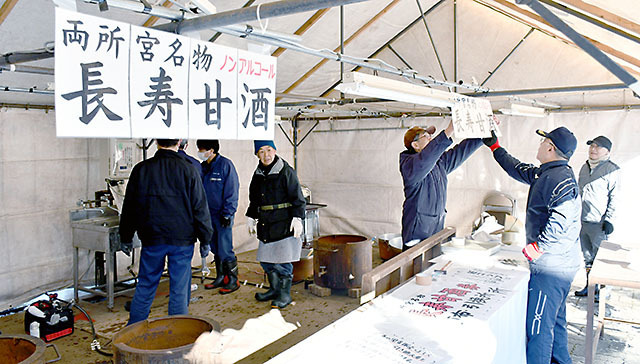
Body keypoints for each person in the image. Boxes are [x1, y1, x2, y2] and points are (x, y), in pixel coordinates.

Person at [483, 127, 581, 364]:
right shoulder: (548, 173)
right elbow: (517, 168)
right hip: (559, 263)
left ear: (550, 148)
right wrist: (495, 147)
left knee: (538, 328)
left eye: (542, 142)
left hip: (551, 268)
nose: (538, 145)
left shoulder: (561, 180)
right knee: (554, 321)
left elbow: (563, 219)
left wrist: (539, 247)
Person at [119, 139, 213, 325]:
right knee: (179, 288)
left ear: (157, 142)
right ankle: (177, 336)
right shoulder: (189, 169)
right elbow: (200, 208)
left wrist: (126, 236)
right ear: (178, 142)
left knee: (146, 285)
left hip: (153, 238)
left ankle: (132, 335)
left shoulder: (142, 169)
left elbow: (130, 207)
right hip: (182, 239)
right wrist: (205, 239)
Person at [399, 120, 483, 249]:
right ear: (415, 145)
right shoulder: (410, 165)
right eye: (426, 136)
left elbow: (460, 152)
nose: (430, 138)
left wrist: (484, 132)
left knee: (432, 263)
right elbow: (426, 158)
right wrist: (448, 131)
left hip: (436, 225)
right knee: (413, 265)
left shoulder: (439, 163)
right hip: (417, 229)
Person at [247, 140, 306, 309]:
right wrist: (251, 217)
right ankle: (274, 290)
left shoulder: (286, 171)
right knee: (266, 261)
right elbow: (254, 199)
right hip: (266, 224)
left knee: (282, 262)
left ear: (275, 150)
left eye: (269, 150)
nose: (266, 155)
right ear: (257, 154)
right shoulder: (258, 174)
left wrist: (297, 218)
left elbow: (298, 198)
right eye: (261, 151)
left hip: (284, 224)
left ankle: (285, 294)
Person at [574, 135, 620, 299]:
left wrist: (609, 219)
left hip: (599, 223)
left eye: (597, 147)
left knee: (601, 259)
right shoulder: (584, 167)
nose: (593, 149)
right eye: (591, 146)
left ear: (607, 151)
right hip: (583, 221)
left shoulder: (612, 170)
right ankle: (589, 286)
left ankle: (602, 291)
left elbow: (615, 196)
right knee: (587, 257)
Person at [196, 139, 241, 294]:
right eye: (199, 149)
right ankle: (220, 277)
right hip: (208, 215)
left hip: (222, 215)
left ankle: (233, 280)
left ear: (212, 150)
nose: (200, 153)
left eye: (203, 150)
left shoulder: (225, 165)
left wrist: (228, 213)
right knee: (214, 246)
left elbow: (232, 191)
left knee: (225, 247)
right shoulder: (202, 167)